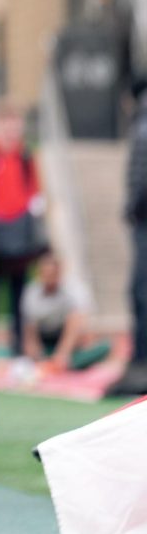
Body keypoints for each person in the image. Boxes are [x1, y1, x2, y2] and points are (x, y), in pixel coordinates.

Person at [0, 99, 47, 357]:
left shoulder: (24, 156)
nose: (12, 131)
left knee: (19, 295)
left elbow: (34, 190)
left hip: (19, 234)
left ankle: (19, 349)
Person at [106, 76, 147, 397]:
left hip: (144, 221)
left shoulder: (143, 125)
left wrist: (131, 210)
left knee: (141, 292)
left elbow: (141, 177)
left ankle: (141, 360)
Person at [20, 251, 110, 372]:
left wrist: (63, 353)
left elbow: (80, 322)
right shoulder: (32, 292)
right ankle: (61, 363)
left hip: (68, 340)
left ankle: (63, 361)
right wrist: (34, 353)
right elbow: (30, 330)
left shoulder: (74, 289)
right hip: (46, 339)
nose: (48, 278)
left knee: (104, 347)